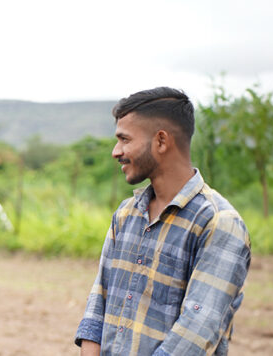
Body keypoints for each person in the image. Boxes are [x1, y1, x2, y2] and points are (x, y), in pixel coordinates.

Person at [74, 87, 251, 355]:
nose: (115, 151)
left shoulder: (218, 223)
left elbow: (197, 332)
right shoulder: (125, 215)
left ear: (161, 141)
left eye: (124, 139)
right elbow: (98, 303)